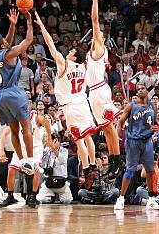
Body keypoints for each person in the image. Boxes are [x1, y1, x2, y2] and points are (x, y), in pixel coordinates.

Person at [34, 10, 98, 188]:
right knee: (88, 138)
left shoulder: (64, 64)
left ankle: (86, 169)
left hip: (71, 106)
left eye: (71, 51)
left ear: (74, 56)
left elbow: (50, 45)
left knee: (78, 140)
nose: (68, 52)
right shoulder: (83, 67)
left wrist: (42, 26)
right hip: (83, 103)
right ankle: (93, 166)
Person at [0, 8, 35, 175]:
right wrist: (28, 19)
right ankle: (31, 160)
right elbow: (28, 40)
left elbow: (6, 41)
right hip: (13, 92)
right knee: (26, 128)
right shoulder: (10, 54)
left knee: (14, 130)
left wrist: (12, 25)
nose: (9, 42)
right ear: (3, 46)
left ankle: (21, 161)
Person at [87, 0, 122, 177]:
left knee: (109, 126)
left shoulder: (99, 45)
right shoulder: (95, 51)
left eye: (98, 32)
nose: (96, 32)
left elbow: (94, 19)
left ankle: (118, 159)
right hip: (92, 93)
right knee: (105, 128)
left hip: (100, 90)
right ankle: (114, 159)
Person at [114, 83, 159, 211]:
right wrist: (118, 135)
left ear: (147, 91)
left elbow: (155, 124)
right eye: (138, 89)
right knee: (130, 170)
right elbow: (120, 122)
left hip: (147, 141)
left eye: (142, 89)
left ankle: (151, 200)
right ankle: (121, 199)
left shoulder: (152, 106)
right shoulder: (131, 106)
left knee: (150, 171)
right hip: (133, 141)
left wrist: (155, 129)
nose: (140, 91)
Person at [0, 113, 49, 208]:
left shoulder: (36, 118)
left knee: (36, 170)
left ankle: (33, 195)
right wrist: (1, 150)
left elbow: (47, 124)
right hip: (21, 149)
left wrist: (49, 138)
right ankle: (10, 196)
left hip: (35, 148)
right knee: (11, 169)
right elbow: (4, 134)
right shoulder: (17, 120)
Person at [37, 132, 72, 204]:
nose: (50, 143)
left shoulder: (64, 150)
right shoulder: (46, 150)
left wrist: (53, 148)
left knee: (67, 200)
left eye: (52, 141)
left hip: (62, 181)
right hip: (49, 181)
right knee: (42, 199)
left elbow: (62, 160)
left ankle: (57, 196)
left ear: (57, 141)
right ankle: (51, 197)